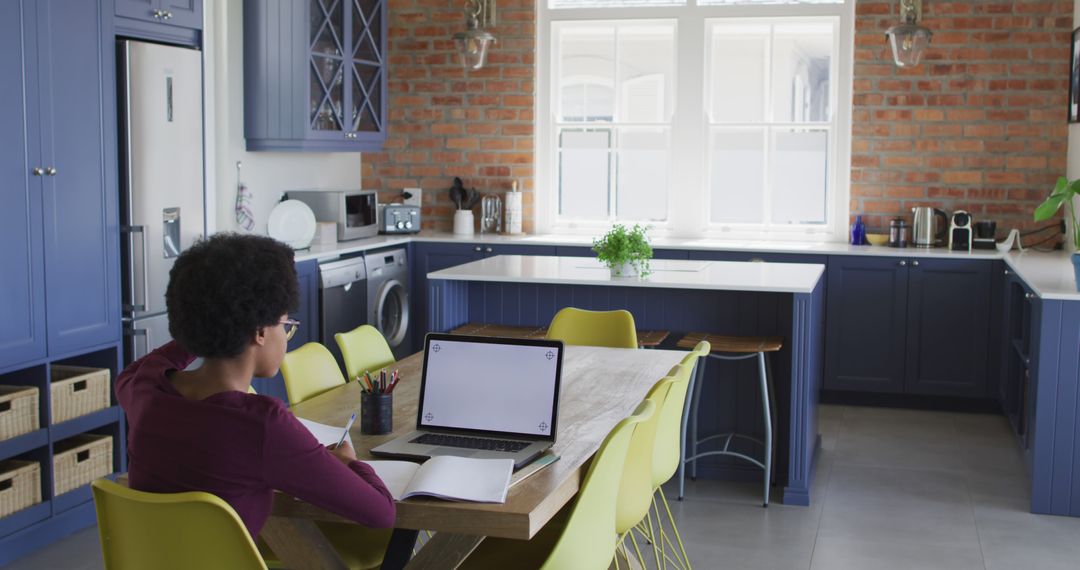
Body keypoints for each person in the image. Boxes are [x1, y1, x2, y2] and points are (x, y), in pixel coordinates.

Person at [115, 233, 395, 539]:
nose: (286, 335)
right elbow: (381, 512)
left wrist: (209, 320)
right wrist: (349, 463)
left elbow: (131, 372)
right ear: (260, 331)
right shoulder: (262, 425)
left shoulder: (145, 391)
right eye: (286, 325)